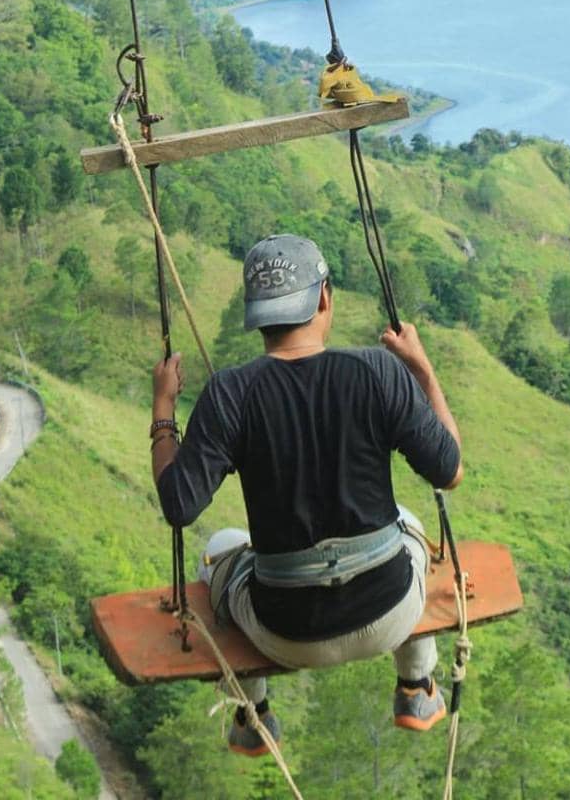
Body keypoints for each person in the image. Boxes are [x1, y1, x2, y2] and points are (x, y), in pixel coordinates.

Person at [150, 233, 463, 756]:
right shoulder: (378, 370)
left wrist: (164, 407)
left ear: (257, 315)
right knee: (407, 520)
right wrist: (422, 369)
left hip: (285, 633)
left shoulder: (230, 392)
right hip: (388, 614)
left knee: (222, 544)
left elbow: (178, 505)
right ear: (323, 299)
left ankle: (253, 715)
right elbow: (449, 471)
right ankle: (416, 686)